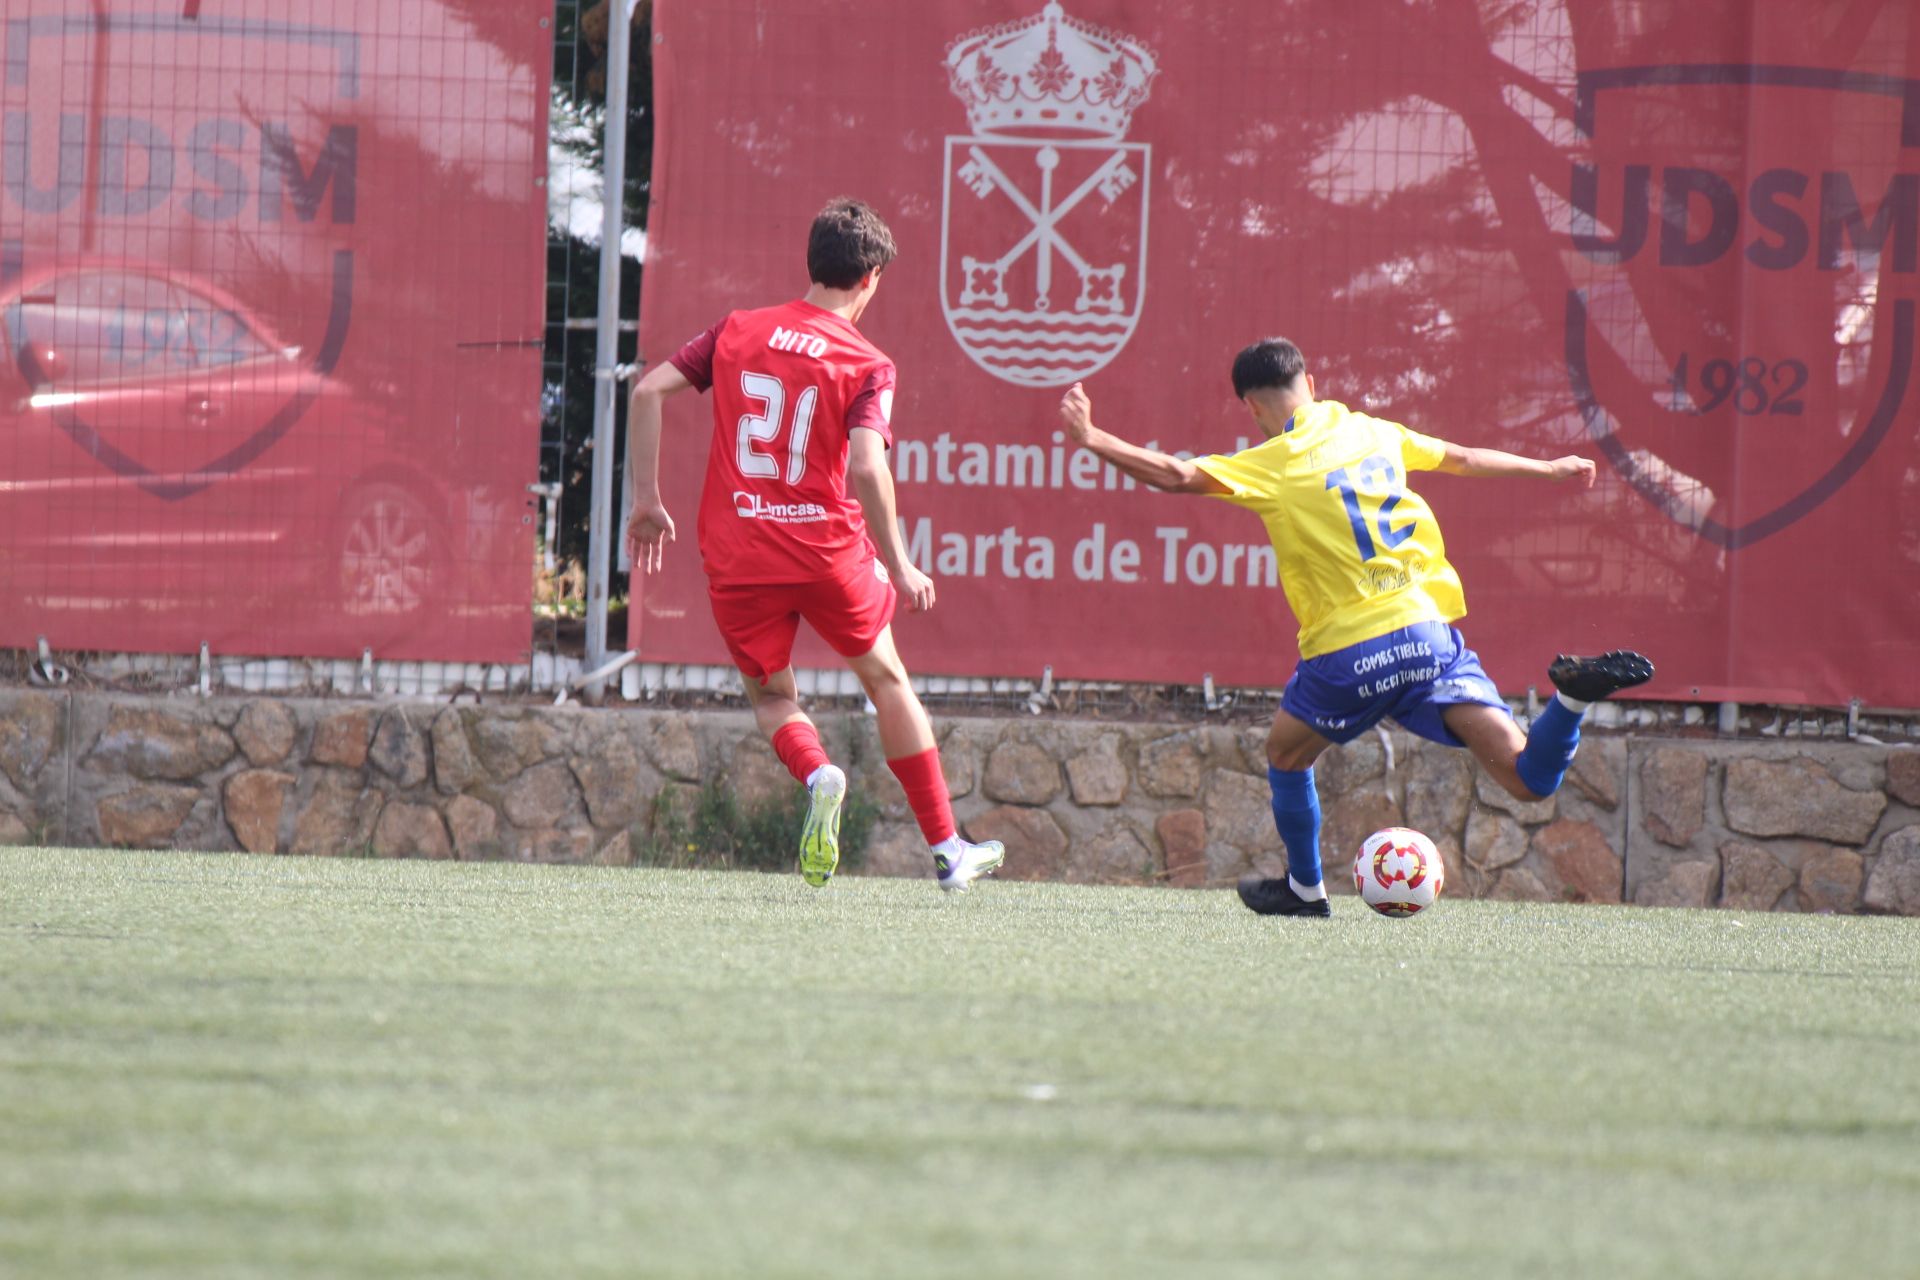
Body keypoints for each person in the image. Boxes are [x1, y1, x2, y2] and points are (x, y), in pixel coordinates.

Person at [1057, 337, 1652, 916]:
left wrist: (1091, 437)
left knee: (1286, 756)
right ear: (1310, 385)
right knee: (1527, 779)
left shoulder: (1274, 462)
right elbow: (1465, 460)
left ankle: (1305, 889)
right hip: (1428, 636)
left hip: (1351, 650)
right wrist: (1547, 467)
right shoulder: (1373, 431)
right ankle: (1571, 699)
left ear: (1251, 407)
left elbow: (1175, 475)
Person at [624, 198, 1004, 892]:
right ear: (871, 279)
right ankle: (949, 850)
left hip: (740, 551)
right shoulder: (868, 362)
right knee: (887, 681)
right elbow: (866, 466)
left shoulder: (740, 330)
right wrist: (900, 562)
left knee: (772, 698)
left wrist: (646, 501)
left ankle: (818, 772)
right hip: (827, 553)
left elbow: (648, 392)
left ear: (812, 264)